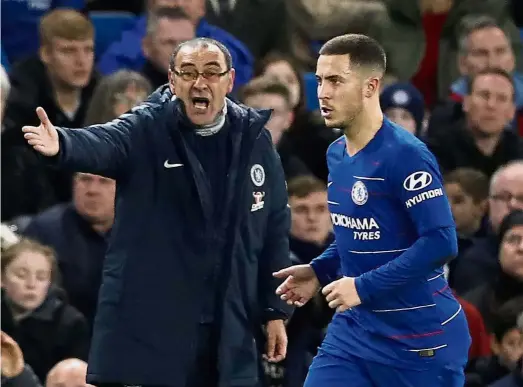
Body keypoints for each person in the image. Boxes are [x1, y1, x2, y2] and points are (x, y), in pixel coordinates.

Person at [21, 37, 291, 387]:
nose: (200, 83)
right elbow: (105, 143)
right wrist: (63, 143)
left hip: (229, 328)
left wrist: (274, 311)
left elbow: (273, 226)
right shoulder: (146, 128)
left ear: (230, 80)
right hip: (157, 330)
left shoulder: (254, 137)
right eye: (188, 72)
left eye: (211, 73)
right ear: (172, 80)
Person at [274, 34, 471, 387]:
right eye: (319, 80)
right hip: (356, 331)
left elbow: (441, 241)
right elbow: (361, 233)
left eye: (335, 80)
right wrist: (321, 270)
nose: (322, 92)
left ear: (370, 86)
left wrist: (362, 287)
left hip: (418, 338)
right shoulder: (336, 154)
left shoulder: (406, 155)